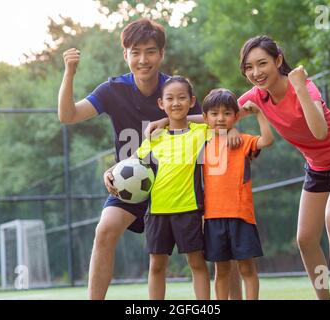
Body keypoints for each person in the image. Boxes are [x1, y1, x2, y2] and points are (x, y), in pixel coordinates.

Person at [58, 18, 204, 300]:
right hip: (132, 183)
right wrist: (69, 73)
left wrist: (166, 119)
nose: (143, 59)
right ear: (125, 55)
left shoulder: (174, 90)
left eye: (150, 51)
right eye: (135, 52)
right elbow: (68, 116)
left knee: (203, 249)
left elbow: (211, 121)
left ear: (161, 54)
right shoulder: (113, 90)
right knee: (104, 231)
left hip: (176, 184)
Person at [237, 35, 330, 300]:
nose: (256, 72)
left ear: (278, 61)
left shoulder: (306, 87)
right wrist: (173, 119)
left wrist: (299, 88)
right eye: (249, 68)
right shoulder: (257, 96)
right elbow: (219, 115)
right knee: (306, 239)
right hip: (318, 165)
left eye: (262, 63)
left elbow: (320, 132)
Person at [134, 76, 210, 299]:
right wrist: (111, 171)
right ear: (161, 103)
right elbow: (134, 162)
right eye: (170, 98)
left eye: (181, 98)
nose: (176, 103)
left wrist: (165, 120)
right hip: (157, 211)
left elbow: (225, 116)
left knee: (196, 263)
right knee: (156, 266)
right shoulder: (154, 137)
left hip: (189, 209)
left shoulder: (199, 131)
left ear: (192, 101)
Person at [202, 88, 274, 300]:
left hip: (241, 216)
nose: (220, 118)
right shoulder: (202, 143)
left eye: (226, 113)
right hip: (213, 218)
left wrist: (259, 113)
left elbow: (267, 140)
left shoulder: (242, 141)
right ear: (206, 118)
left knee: (247, 269)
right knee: (221, 271)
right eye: (214, 114)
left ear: (235, 116)